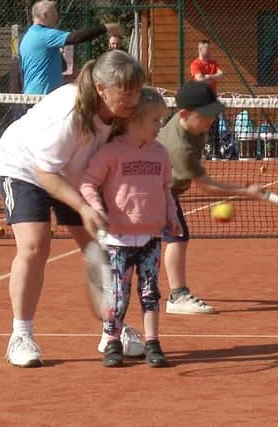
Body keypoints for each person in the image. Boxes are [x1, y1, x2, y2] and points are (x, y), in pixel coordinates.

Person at [0, 50, 145, 368]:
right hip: (25, 167)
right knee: (35, 246)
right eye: (126, 91)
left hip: (75, 173)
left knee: (100, 247)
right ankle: (20, 335)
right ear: (102, 89)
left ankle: (111, 330)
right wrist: (83, 207)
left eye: (136, 90)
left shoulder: (123, 115)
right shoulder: (71, 114)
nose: (134, 98)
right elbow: (45, 172)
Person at [80, 88, 181, 367]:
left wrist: (171, 215)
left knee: (150, 292)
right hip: (117, 240)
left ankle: (153, 343)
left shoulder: (160, 154)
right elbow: (87, 183)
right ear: (134, 120)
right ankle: (112, 341)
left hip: (151, 237)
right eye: (156, 121)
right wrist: (96, 209)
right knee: (117, 294)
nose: (161, 126)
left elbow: (166, 189)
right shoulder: (110, 153)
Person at [158, 81, 264, 314]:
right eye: (206, 115)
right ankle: (177, 296)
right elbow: (206, 186)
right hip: (156, 192)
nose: (212, 120)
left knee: (152, 242)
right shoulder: (180, 148)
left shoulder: (191, 125)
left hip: (162, 187)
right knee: (178, 236)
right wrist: (244, 192)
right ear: (185, 113)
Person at [20, 0, 124, 95]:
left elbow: (61, 66)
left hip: (31, 94)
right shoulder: (44, 34)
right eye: (55, 12)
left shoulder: (27, 37)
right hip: (42, 96)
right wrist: (105, 28)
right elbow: (75, 37)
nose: (57, 16)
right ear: (45, 15)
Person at [190, 40, 224, 158]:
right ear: (200, 50)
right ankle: (200, 150)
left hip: (212, 100)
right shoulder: (195, 64)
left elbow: (221, 75)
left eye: (210, 49)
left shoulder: (214, 63)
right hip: (201, 100)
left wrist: (209, 76)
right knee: (201, 126)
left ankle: (216, 151)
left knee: (215, 126)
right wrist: (211, 78)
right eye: (207, 49)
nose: (210, 52)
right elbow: (199, 79)